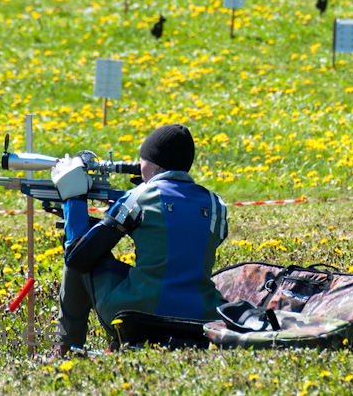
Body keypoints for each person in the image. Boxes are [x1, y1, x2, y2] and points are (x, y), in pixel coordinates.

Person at [51, 123, 229, 354]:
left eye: (142, 160)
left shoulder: (139, 197)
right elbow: (179, 236)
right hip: (203, 318)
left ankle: (65, 348)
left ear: (154, 165)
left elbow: (78, 257)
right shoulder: (216, 204)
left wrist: (73, 200)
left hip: (140, 317)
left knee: (79, 253)